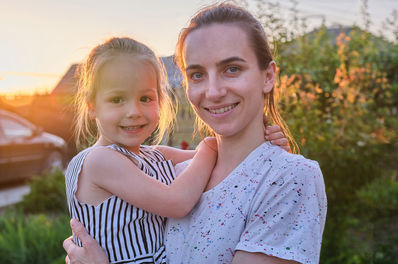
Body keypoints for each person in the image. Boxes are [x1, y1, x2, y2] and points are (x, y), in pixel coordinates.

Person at [63, 3, 327, 264]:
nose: (213, 91)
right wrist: (212, 149)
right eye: (197, 74)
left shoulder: (288, 176)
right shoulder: (178, 175)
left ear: (268, 76)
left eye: (232, 69)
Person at [64, 36, 222, 264]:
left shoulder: (155, 155)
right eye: (117, 99)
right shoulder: (98, 160)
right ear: (92, 106)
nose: (134, 111)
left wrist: (266, 145)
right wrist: (209, 145)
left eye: (146, 98)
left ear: (159, 101)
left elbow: (225, 158)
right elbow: (175, 202)